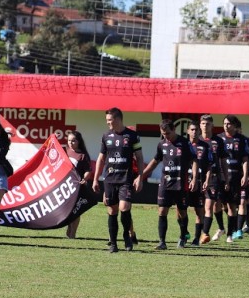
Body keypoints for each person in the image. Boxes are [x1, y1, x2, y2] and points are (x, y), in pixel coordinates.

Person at [92, 107, 144, 253]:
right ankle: (113, 243)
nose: (108, 123)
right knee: (112, 210)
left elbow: (139, 157)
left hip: (125, 179)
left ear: (117, 119)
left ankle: (127, 236)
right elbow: (101, 158)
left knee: (124, 207)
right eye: (107, 120)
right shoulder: (106, 136)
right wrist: (96, 179)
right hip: (109, 179)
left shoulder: (132, 136)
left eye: (109, 120)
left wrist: (140, 176)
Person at [141, 119, 198, 249]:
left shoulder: (185, 143)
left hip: (181, 184)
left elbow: (194, 160)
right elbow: (155, 161)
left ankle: (183, 237)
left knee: (182, 212)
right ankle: (162, 242)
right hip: (165, 183)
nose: (165, 136)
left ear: (174, 130)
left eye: (167, 133)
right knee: (162, 211)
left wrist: (194, 178)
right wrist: (141, 175)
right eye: (163, 133)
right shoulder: (162, 144)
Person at [194, 114, 229, 246]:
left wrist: (225, 178)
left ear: (212, 125)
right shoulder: (196, 140)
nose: (205, 126)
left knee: (209, 206)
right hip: (198, 177)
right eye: (203, 123)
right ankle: (221, 228)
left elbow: (223, 161)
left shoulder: (218, 141)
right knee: (214, 206)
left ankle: (205, 234)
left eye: (208, 124)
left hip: (214, 176)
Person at [218, 115, 249, 242]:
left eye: (229, 124)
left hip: (235, 177)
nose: (226, 126)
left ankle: (231, 233)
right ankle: (224, 227)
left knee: (233, 205)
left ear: (234, 126)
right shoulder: (219, 139)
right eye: (225, 123)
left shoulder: (241, 140)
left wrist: (245, 174)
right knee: (220, 205)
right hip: (221, 177)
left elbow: (245, 159)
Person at [64, 130, 92, 239]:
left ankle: (73, 233)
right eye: (69, 141)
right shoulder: (64, 151)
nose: (71, 143)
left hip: (77, 186)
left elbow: (88, 170)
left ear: (79, 141)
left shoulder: (82, 155)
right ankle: (69, 227)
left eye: (73, 141)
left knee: (76, 210)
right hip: (64, 185)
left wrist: (85, 179)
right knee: (67, 209)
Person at [186, 122, 210, 243]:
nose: (194, 132)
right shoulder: (183, 145)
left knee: (199, 210)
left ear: (199, 132)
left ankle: (196, 237)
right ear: (187, 131)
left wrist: (207, 180)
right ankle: (184, 232)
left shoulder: (205, 147)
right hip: (184, 182)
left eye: (196, 130)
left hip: (199, 182)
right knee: (181, 209)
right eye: (192, 129)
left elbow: (210, 165)